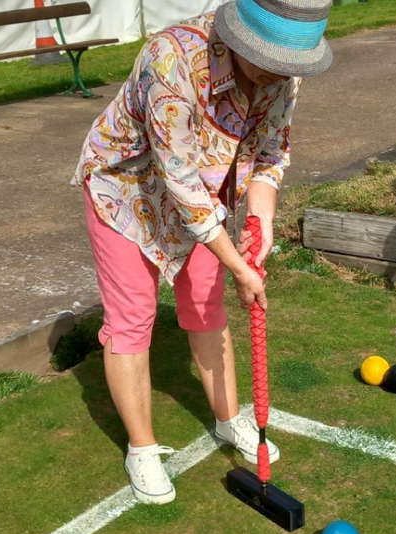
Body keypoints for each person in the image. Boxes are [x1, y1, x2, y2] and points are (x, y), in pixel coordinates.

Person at [72, 0, 333, 503]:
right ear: (240, 37)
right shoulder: (170, 60)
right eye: (268, 59)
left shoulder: (283, 71)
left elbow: (271, 153)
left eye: (286, 65)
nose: (276, 74)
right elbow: (181, 182)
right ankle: (142, 450)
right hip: (125, 190)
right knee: (133, 318)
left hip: (203, 194)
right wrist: (238, 265)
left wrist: (260, 223)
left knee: (204, 307)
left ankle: (227, 420)